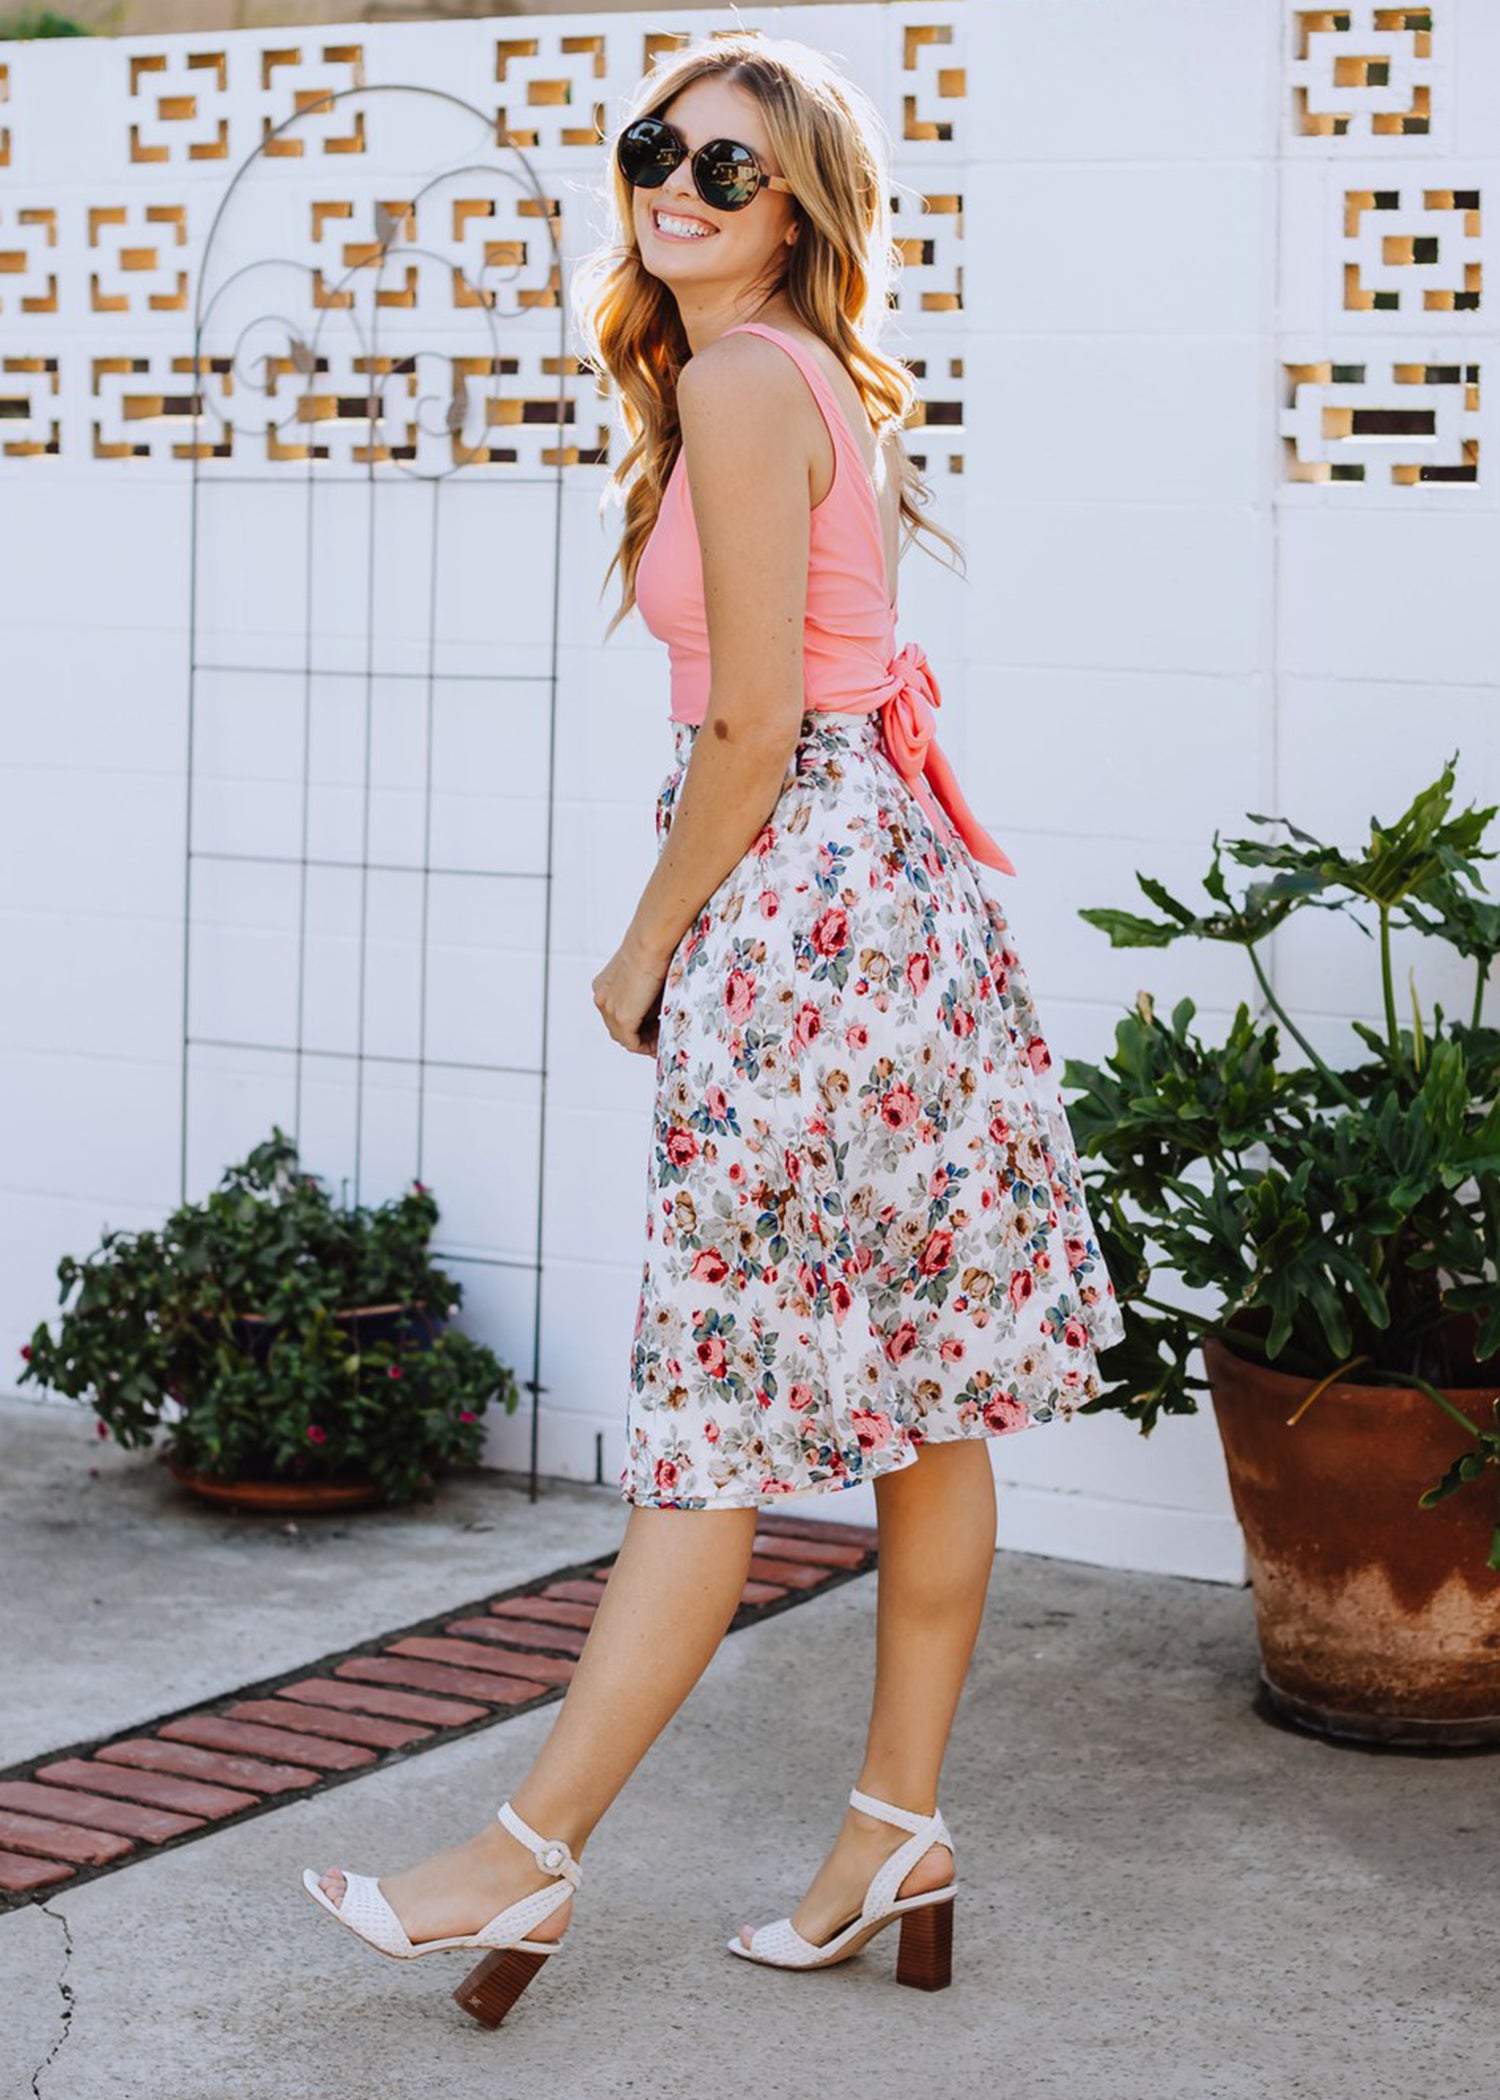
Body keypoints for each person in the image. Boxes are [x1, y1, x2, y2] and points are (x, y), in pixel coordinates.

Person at [301, 32, 1125, 2027]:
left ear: (798, 209)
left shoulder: (750, 385)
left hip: (803, 907)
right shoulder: (790, 376)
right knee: (921, 1397)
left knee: (712, 1415)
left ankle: (525, 1860)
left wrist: (642, 945)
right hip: (892, 909)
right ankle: (893, 1831)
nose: (677, 184)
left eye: (729, 167)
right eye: (656, 147)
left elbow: (757, 725)